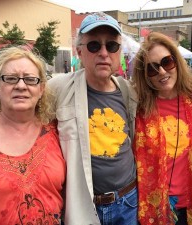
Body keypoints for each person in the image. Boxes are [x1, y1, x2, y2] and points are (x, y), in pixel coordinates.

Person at [48, 12, 138, 225]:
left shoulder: (130, 92)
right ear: (79, 51)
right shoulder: (57, 88)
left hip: (128, 202)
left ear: (119, 52)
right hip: (82, 206)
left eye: (112, 46)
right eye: (94, 46)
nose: (104, 53)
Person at [132, 32, 192, 225]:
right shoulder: (138, 107)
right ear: (144, 75)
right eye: (152, 69)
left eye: (167, 62)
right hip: (155, 205)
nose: (162, 72)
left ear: (177, 62)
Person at [0, 46, 66, 224]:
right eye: (11, 79)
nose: (21, 86)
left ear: (42, 89)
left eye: (30, 80)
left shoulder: (56, 131)